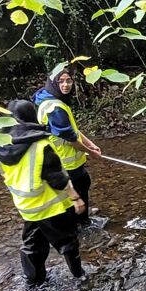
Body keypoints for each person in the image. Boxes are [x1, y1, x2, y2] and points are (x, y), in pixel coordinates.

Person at [0, 100, 86, 286]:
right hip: (50, 206)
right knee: (68, 242)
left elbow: (2, 170)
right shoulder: (41, 145)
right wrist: (76, 198)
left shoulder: (0, 145)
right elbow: (57, 179)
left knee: (32, 244)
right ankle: (79, 277)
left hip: (26, 206)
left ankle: (34, 282)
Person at [33, 67, 102, 228]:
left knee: (81, 184)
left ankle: (81, 218)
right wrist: (90, 152)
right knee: (79, 187)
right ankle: (83, 224)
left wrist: (90, 144)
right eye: (61, 81)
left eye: (69, 81)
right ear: (53, 83)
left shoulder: (51, 99)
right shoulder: (55, 108)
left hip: (65, 158)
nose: (66, 85)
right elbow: (70, 139)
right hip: (64, 159)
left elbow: (72, 130)